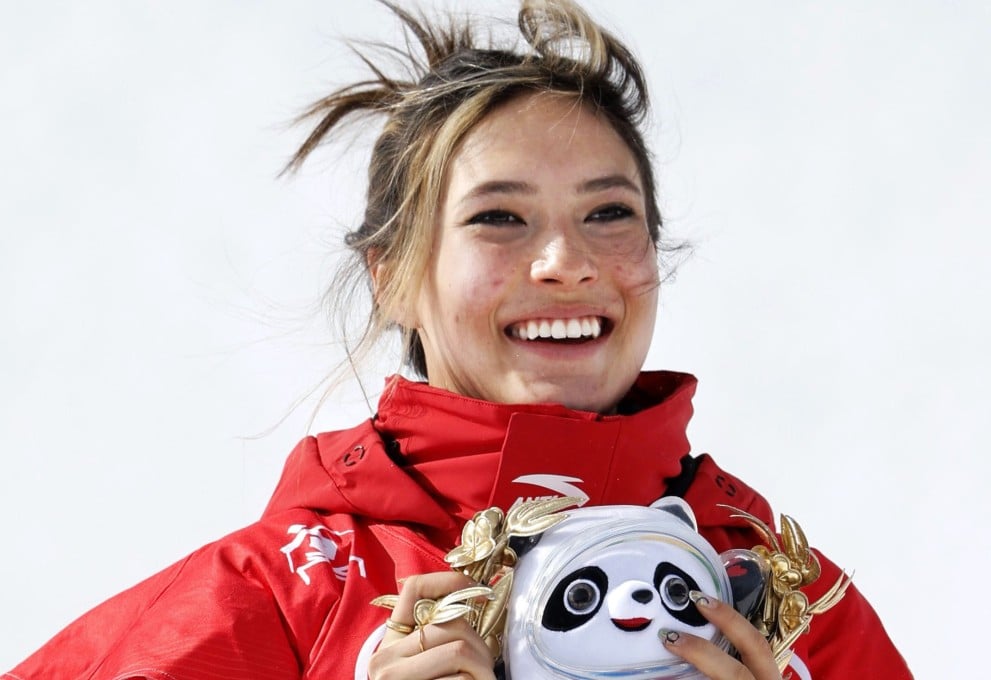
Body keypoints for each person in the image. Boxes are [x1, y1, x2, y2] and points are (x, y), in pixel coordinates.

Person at [4, 1, 912, 679]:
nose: (566, 263)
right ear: (391, 276)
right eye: (499, 218)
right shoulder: (276, 600)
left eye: (608, 212)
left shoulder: (788, 601)